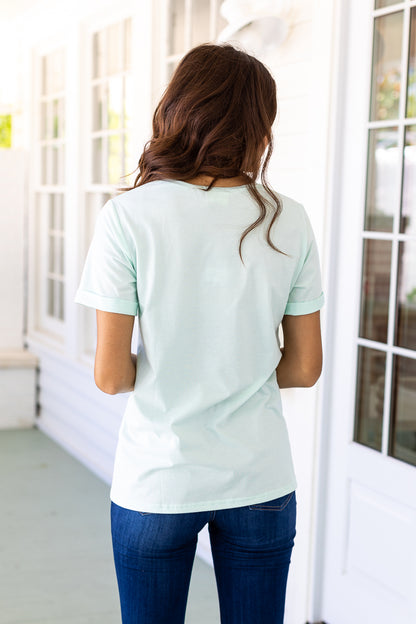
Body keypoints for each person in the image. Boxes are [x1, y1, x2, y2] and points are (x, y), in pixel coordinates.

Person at [74, 42, 324, 624]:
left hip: (157, 480)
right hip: (260, 476)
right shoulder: (290, 217)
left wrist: (178, 366)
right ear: (260, 125)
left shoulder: (128, 217)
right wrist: (239, 366)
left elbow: (110, 376)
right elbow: (304, 368)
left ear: (179, 110)